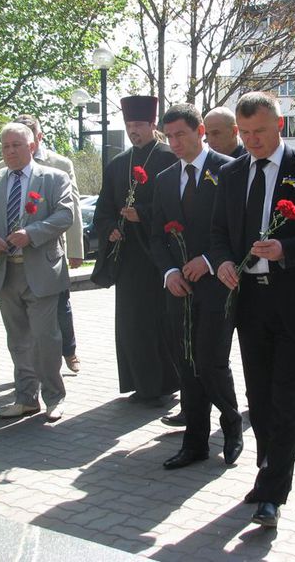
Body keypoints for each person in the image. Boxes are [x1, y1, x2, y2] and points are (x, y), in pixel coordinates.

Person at [210, 91, 295, 527]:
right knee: (259, 398)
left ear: (279, 125)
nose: (251, 141)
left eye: (259, 132)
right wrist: (225, 259)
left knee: (287, 400)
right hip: (251, 301)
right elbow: (218, 231)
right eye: (244, 134)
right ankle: (268, 469)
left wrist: (286, 247)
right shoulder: (231, 174)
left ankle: (273, 491)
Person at [150, 103, 242, 470]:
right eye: (168, 136)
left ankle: (232, 422)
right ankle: (195, 443)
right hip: (180, 289)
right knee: (187, 362)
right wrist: (169, 271)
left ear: (200, 130)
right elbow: (156, 237)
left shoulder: (230, 171)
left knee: (210, 359)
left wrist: (207, 260)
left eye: (180, 135)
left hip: (218, 285)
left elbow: (240, 229)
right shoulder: (164, 179)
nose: (174, 143)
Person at [0, 123, 74, 421]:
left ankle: (54, 396)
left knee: (45, 337)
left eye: (16, 145)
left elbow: (65, 214)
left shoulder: (54, 178)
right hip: (5, 272)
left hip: (41, 271)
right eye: (5, 146)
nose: (10, 151)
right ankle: (25, 397)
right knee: (18, 339)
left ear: (31, 146)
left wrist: (33, 232)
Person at [92, 96, 180, 405]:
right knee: (132, 324)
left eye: (139, 125)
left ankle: (164, 384)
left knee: (160, 322)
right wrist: (110, 228)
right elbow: (102, 210)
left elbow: (177, 207)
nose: (134, 131)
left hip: (160, 258)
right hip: (129, 258)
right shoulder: (118, 164)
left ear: (153, 125)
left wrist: (142, 212)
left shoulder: (170, 158)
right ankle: (140, 384)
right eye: (129, 126)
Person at [0, 114, 84, 374]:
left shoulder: (59, 164)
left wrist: (76, 250)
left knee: (60, 306)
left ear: (36, 139)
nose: (12, 149)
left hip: (48, 251)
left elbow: (73, 207)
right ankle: (31, 373)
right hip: (12, 256)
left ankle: (69, 350)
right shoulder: (1, 166)